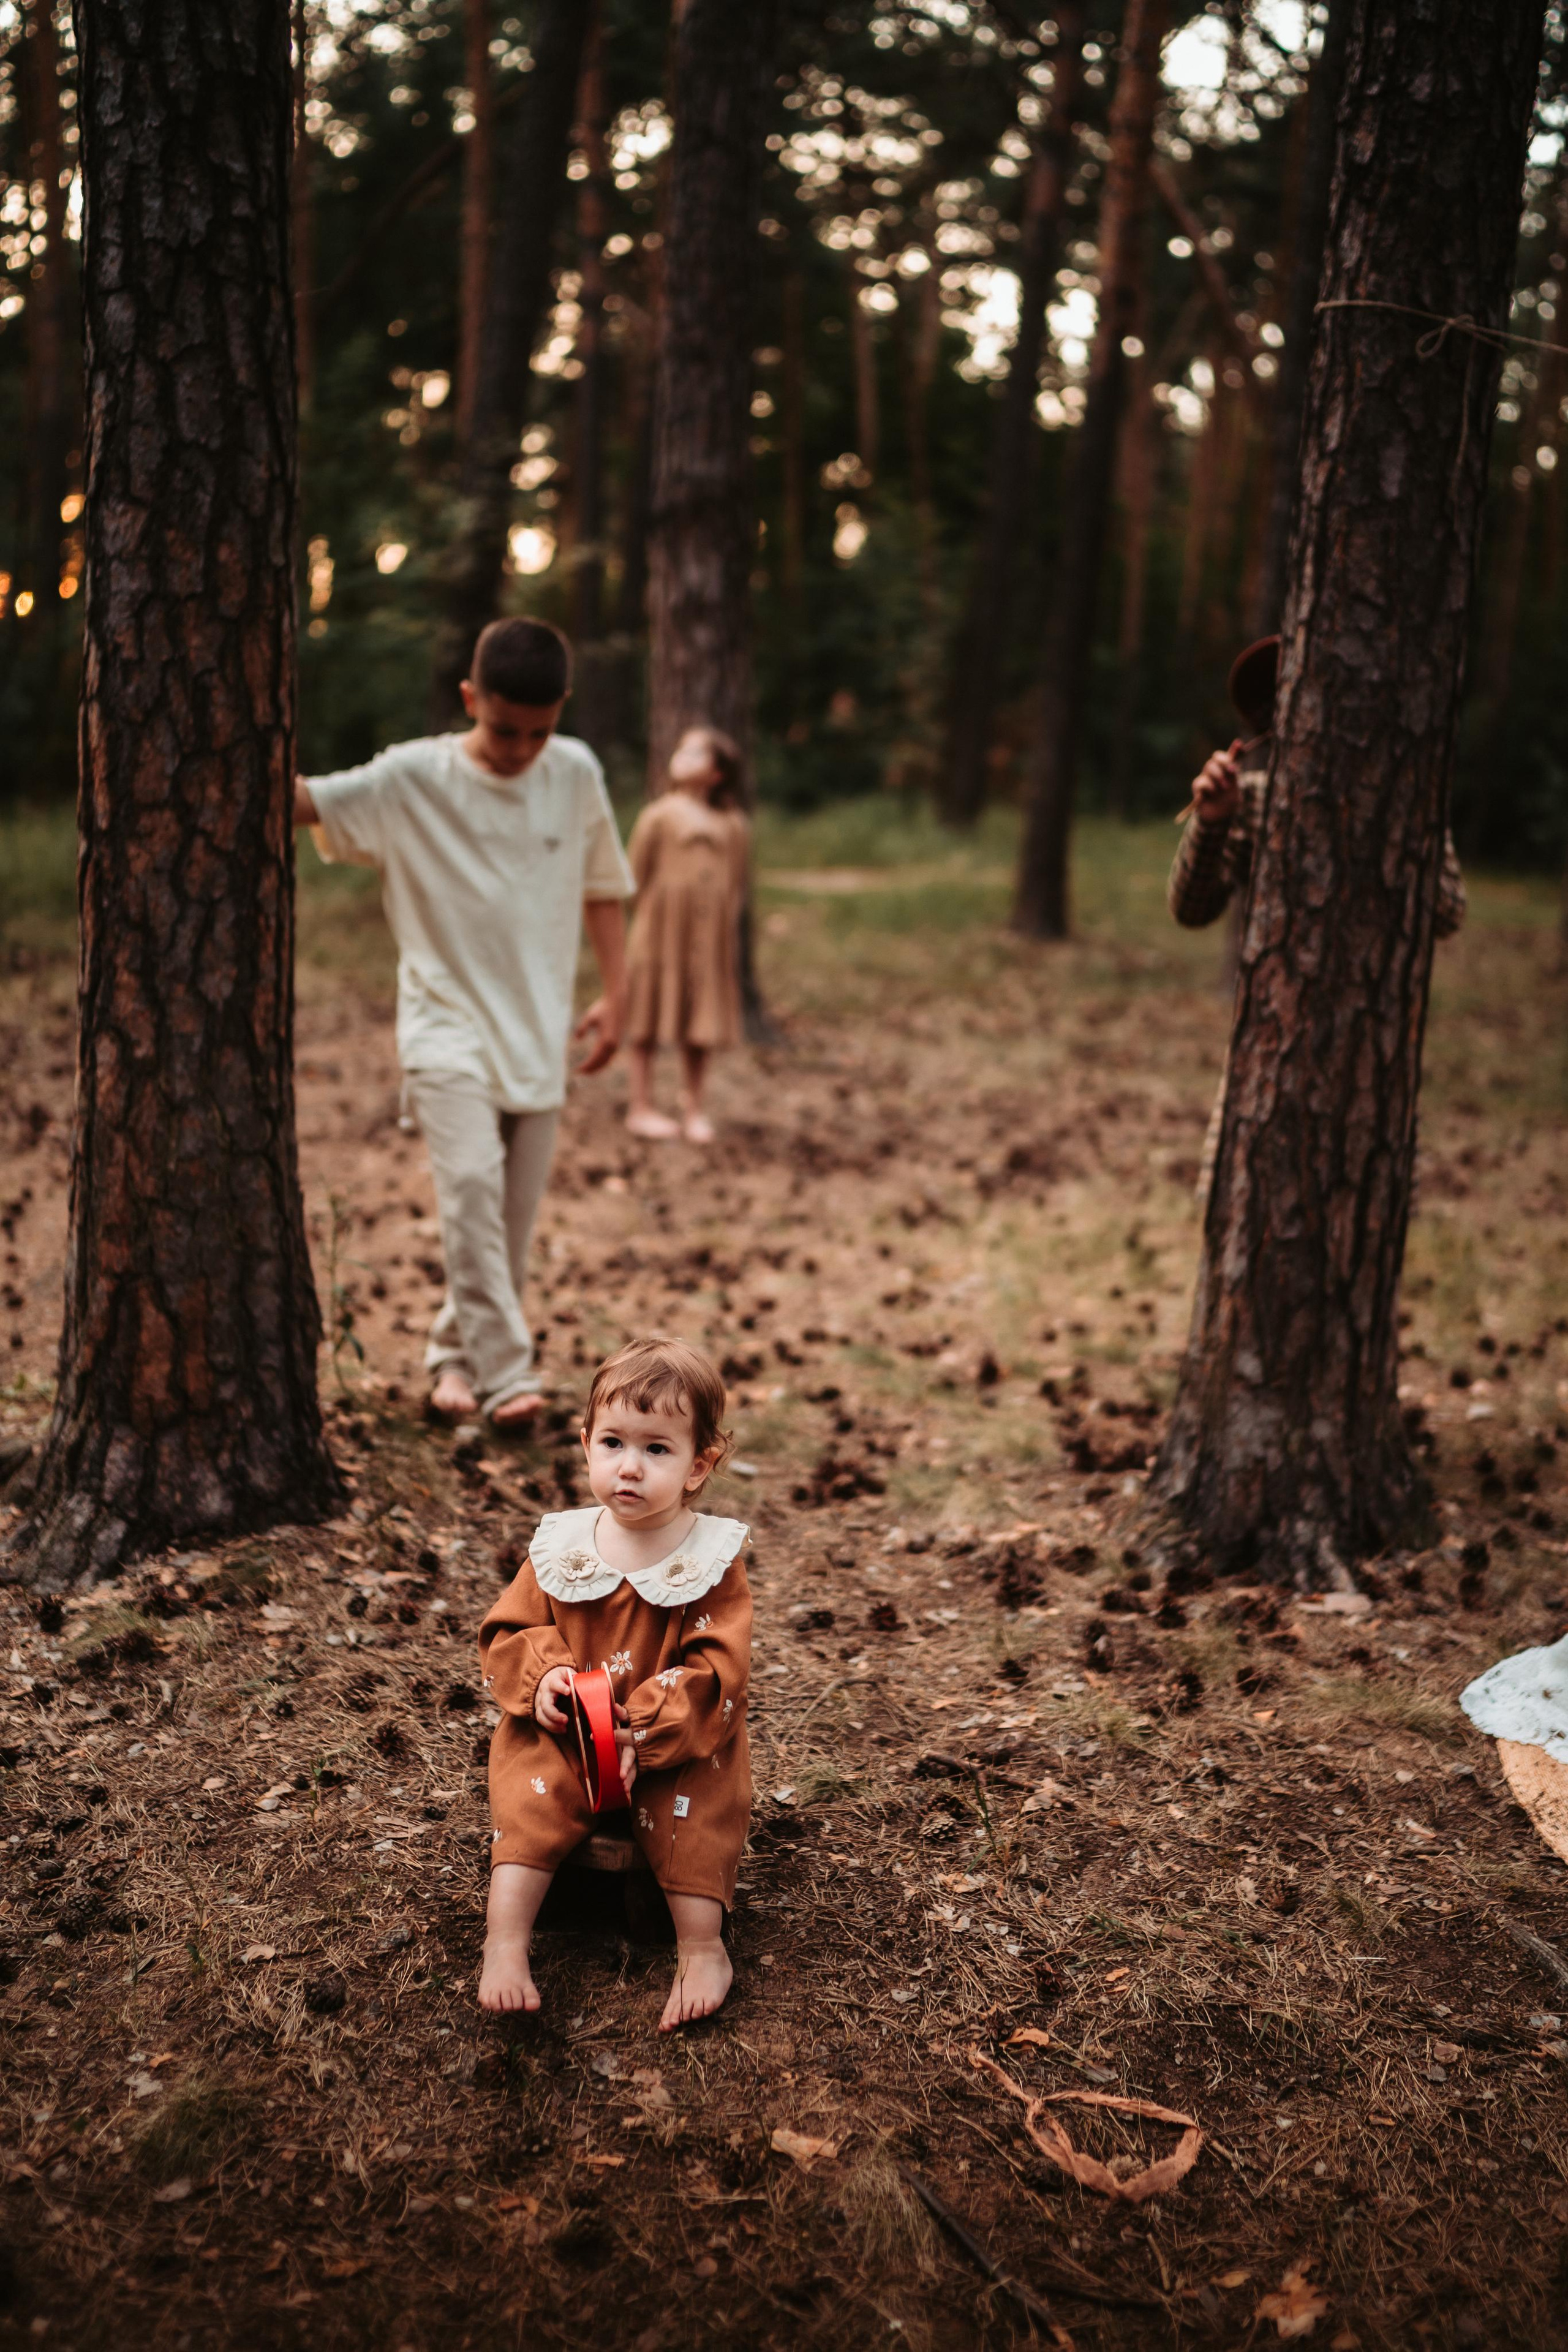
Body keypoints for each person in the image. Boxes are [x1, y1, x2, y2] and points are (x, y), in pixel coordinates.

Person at [293, 618, 633, 1427]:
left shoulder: (575, 772)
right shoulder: (413, 777)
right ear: (469, 698)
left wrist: (620, 997)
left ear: (563, 712)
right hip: (442, 1025)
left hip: (538, 1026)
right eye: (503, 728)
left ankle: (453, 1359)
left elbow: (603, 887)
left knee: (507, 1223)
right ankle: (511, 1376)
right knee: (473, 1187)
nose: (520, 749)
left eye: (539, 733)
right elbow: (304, 802)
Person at [476, 1336, 752, 2031]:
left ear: (699, 1464)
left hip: (668, 1740)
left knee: (698, 1795)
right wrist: (545, 1680)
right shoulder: (560, 1546)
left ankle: (701, 1947)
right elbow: (511, 1629)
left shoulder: (710, 1560)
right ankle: (505, 1943)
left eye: (657, 1449)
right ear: (585, 1445)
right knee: (529, 1778)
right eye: (612, 1443)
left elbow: (718, 1668)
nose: (629, 1468)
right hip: (570, 1728)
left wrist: (650, 1728)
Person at [1168, 633, 1466, 1203]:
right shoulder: (1254, 801)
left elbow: (1449, 912)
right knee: (1246, 1205)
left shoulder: (1408, 806)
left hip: (1372, 1058)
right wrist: (1211, 822)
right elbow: (1190, 908)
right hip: (1270, 1055)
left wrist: (1400, 827)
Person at [621, 726, 750, 1144]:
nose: (686, 757)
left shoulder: (732, 825)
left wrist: (722, 929)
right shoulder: (658, 816)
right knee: (645, 1017)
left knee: (701, 1023)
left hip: (707, 941)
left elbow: (736, 885)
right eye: (683, 750)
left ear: (718, 774)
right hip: (659, 935)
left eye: (699, 753)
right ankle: (640, 1106)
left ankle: (694, 1108)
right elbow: (633, 877)